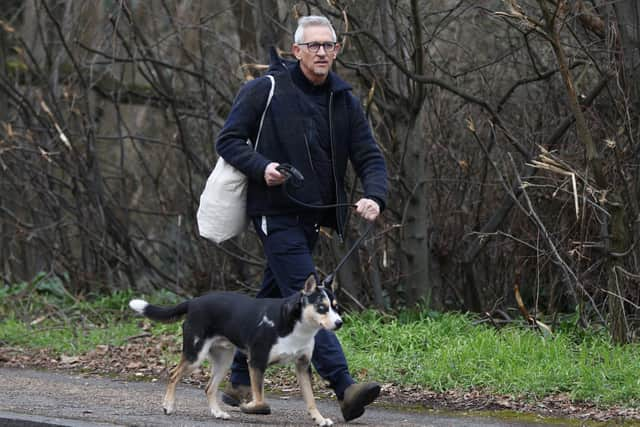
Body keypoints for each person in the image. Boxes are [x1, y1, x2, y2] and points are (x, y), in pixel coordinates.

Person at [215, 15, 388, 422]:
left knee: (274, 293)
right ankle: (344, 387)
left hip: (313, 220)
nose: (322, 52)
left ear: (337, 50)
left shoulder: (343, 100)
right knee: (309, 295)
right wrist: (263, 168)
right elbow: (228, 140)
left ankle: (240, 380)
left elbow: (369, 156)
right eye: (313, 46)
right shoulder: (266, 90)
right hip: (273, 214)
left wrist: (374, 196)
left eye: (329, 45)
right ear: (296, 51)